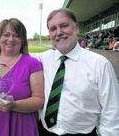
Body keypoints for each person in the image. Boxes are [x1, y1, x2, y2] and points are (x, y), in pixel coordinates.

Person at [35, 8, 119, 136]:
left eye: (64, 25)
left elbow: (112, 111)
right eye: (53, 29)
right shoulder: (42, 59)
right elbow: (15, 57)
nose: (59, 32)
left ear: (77, 28)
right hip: (45, 131)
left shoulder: (100, 64)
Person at [0, 18, 45, 136]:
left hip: (20, 126)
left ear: (22, 39)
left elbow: (39, 99)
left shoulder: (32, 63)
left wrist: (14, 105)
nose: (10, 39)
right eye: (6, 35)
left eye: (16, 35)